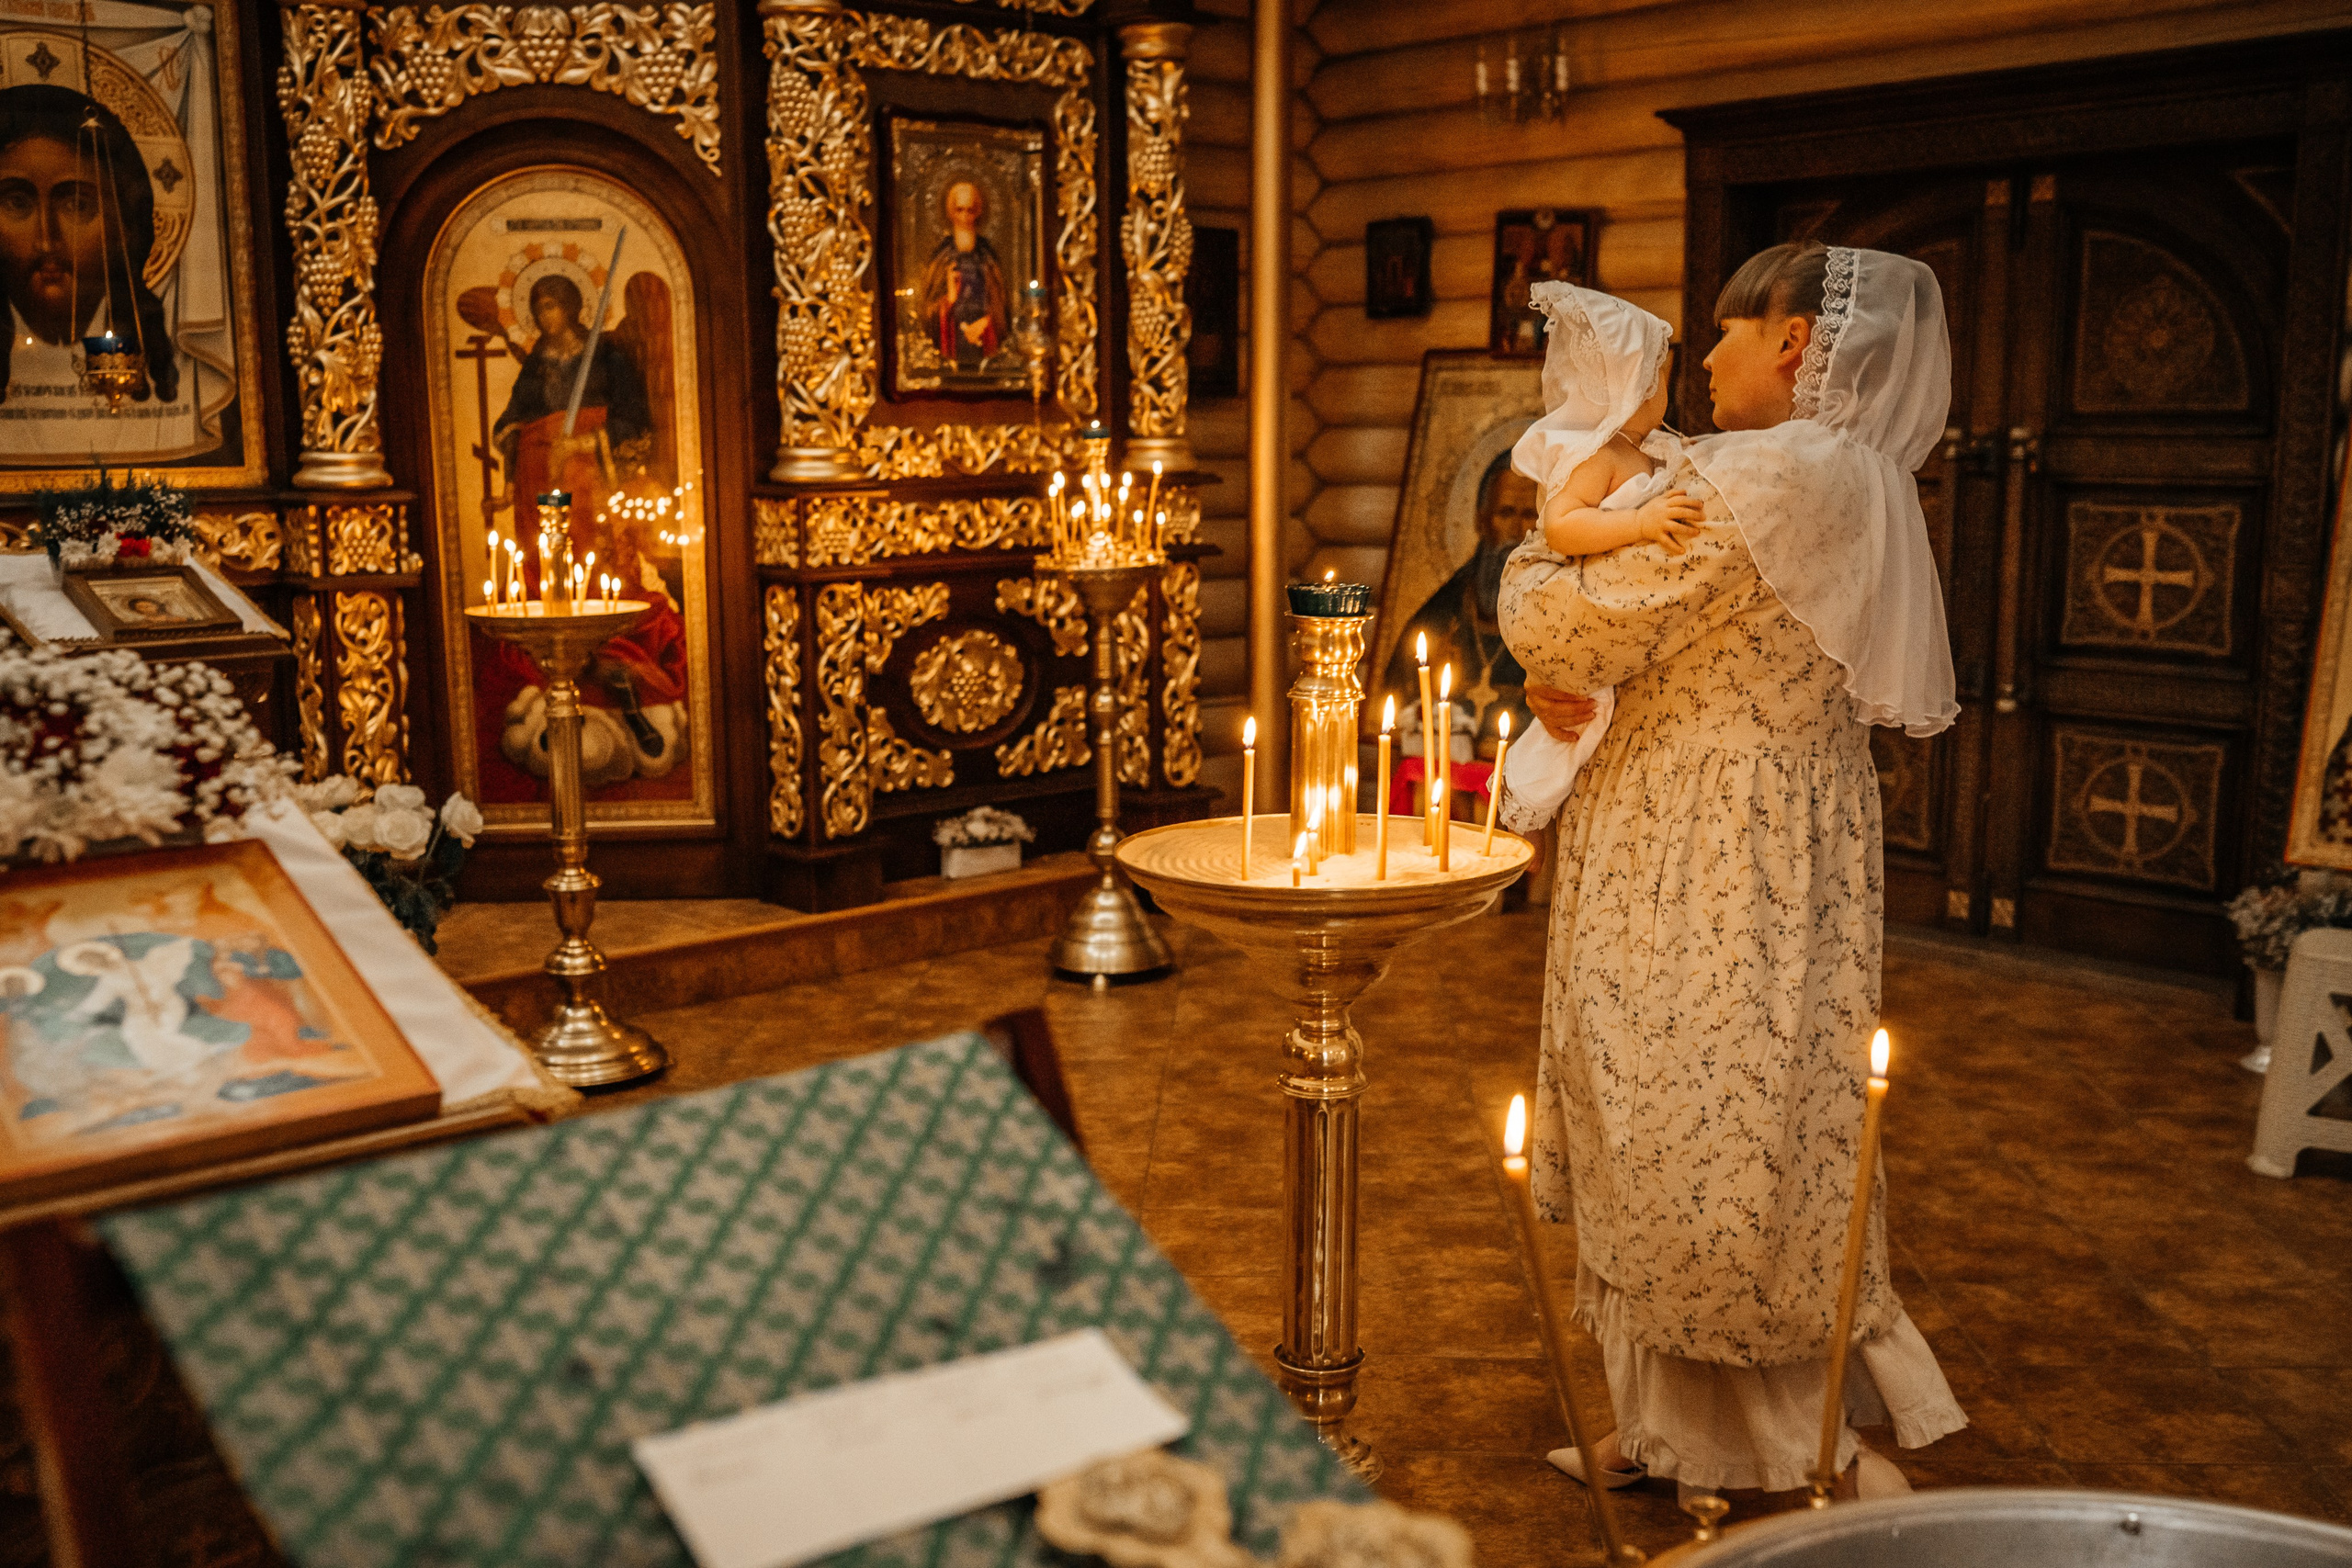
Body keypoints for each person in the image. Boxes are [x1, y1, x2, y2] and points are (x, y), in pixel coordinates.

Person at [1498, 242, 1965, 1503]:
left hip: (1704, 840)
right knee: (1734, 1116)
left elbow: (1568, 620)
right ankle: (1668, 1423)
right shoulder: (1858, 476)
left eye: (1725, 330)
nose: (1702, 358)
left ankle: (1784, 1442)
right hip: (1769, 823)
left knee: (1694, 1123)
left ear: (1798, 340)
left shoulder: (1776, 472)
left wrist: (1534, 571)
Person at [1498, 283, 1699, 829]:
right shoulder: (1594, 453)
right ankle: (1527, 791)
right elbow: (1563, 527)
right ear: (1630, 382)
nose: (1667, 393)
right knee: (1583, 711)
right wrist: (1638, 522)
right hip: (1577, 590)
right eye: (1662, 379)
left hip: (1620, 604)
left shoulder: (1646, 449)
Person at [0, 85, 178, 410]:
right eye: (16, 202)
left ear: (123, 226)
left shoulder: (134, 330)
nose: (46, 239)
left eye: (78, 205)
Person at [917, 179, 1010, 372]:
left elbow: (1001, 305)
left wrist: (985, 323)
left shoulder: (987, 255)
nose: (965, 217)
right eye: (959, 210)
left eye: (970, 210)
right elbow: (927, 312)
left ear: (978, 212)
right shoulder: (941, 257)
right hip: (952, 338)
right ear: (951, 213)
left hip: (984, 338)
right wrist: (948, 300)